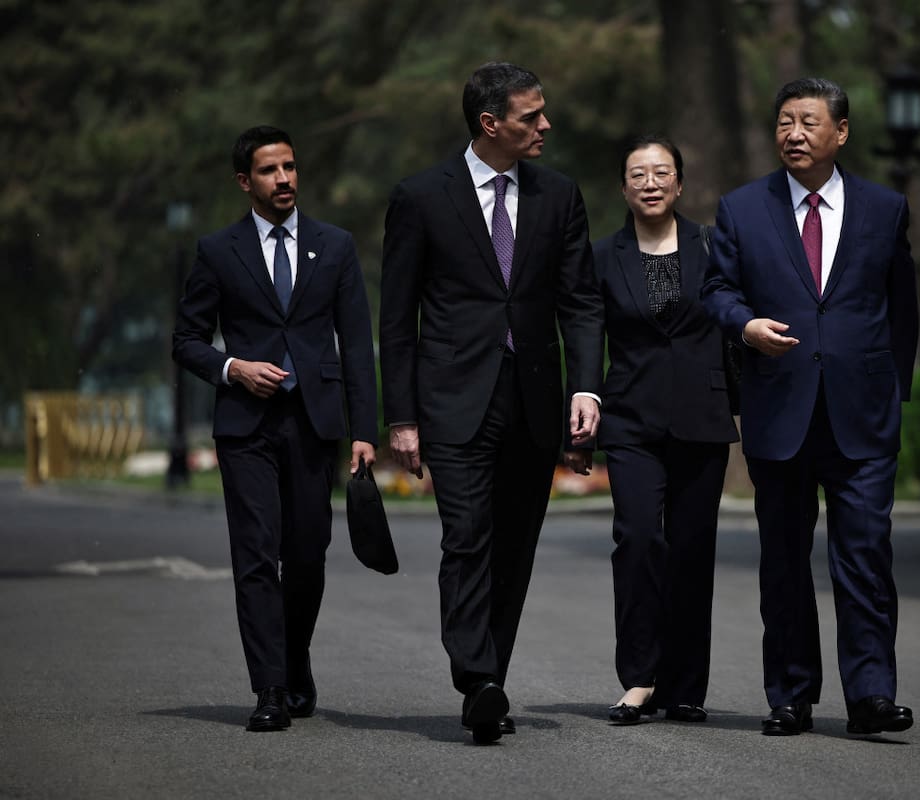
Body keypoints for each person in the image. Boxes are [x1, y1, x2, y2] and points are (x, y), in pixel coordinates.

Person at [378, 62, 605, 744]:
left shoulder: (560, 196)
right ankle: (476, 676)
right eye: (531, 117)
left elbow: (581, 301)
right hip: (452, 401)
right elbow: (396, 318)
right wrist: (402, 416)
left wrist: (587, 386)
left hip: (534, 401)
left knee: (514, 546)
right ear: (490, 124)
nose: (545, 125)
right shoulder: (420, 197)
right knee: (467, 536)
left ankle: (490, 681)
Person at [701, 78, 919, 736]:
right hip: (781, 411)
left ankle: (871, 696)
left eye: (809, 122)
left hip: (862, 415)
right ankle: (791, 694)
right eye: (785, 122)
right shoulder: (743, 208)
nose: (794, 133)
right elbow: (716, 290)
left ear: (841, 133)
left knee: (865, 557)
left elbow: (901, 309)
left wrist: (893, 392)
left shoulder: (886, 209)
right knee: (785, 562)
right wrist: (745, 327)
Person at [173, 125, 378, 732]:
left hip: (315, 425)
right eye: (269, 170)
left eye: (290, 167)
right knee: (256, 557)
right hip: (246, 429)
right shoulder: (218, 250)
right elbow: (185, 340)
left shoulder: (335, 246)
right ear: (245, 181)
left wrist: (364, 429)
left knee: (307, 555)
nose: (284, 178)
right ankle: (269, 688)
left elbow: (357, 347)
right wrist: (233, 367)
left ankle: (294, 658)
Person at [592, 136, 738, 725]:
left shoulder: (714, 246)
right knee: (637, 540)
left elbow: (734, 321)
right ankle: (639, 678)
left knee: (692, 550)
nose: (650, 183)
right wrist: (583, 415)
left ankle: (683, 687)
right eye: (638, 174)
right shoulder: (603, 256)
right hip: (630, 418)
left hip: (701, 418)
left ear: (679, 184)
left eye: (661, 173)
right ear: (623, 187)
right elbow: (586, 336)